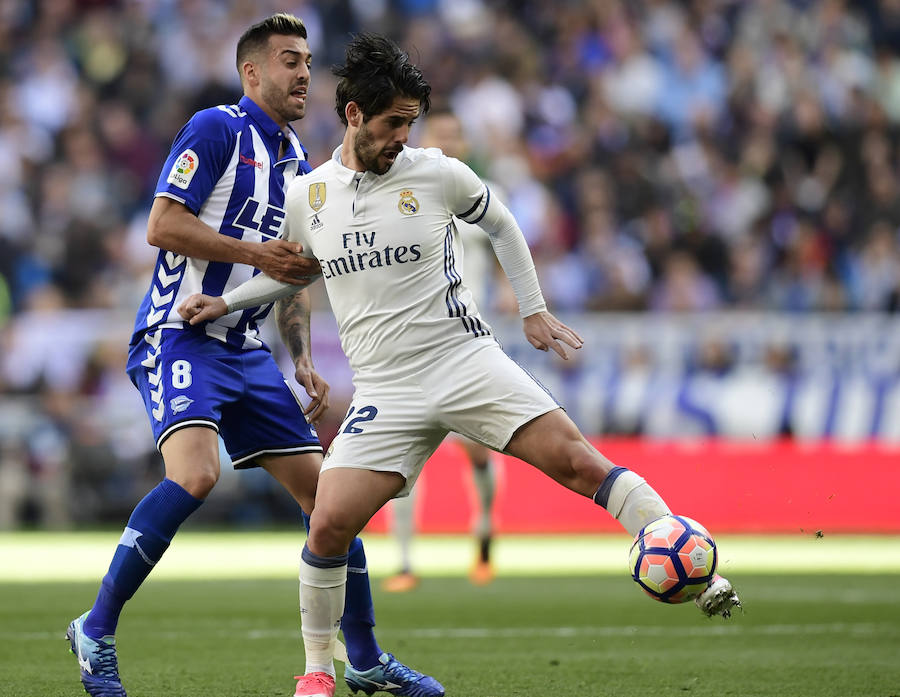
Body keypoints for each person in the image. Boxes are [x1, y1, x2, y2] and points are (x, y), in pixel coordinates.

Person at [179, 33, 742, 697]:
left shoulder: (438, 173)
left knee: (580, 462)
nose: (404, 138)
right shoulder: (310, 196)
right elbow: (291, 275)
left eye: (411, 124)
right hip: (386, 388)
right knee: (329, 521)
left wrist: (532, 309)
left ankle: (695, 565)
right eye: (394, 123)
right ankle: (317, 673)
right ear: (355, 115)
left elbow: (502, 223)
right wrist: (225, 300)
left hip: (463, 359)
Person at [65, 16, 443, 697]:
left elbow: (293, 272)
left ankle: (362, 658)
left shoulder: (298, 160)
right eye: (289, 61)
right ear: (252, 74)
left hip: (246, 351)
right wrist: (250, 254)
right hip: (180, 334)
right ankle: (95, 627)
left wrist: (299, 356)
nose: (304, 73)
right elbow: (162, 224)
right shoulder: (215, 129)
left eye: (307, 61)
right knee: (197, 475)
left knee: (332, 500)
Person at [382, 108, 503, 592]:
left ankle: (485, 536)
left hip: (470, 339)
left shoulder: (481, 193)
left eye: (457, 136)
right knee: (405, 456)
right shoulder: (403, 193)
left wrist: (515, 293)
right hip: (413, 343)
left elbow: (508, 243)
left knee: (477, 451)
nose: (449, 144)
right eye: (441, 135)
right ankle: (406, 562)